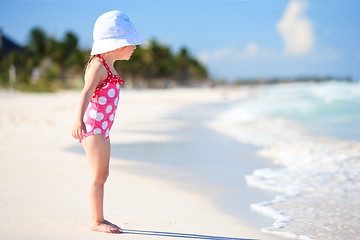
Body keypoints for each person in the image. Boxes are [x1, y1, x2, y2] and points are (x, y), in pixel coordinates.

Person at [71, 10, 145, 234]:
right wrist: (78, 120)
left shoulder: (109, 66)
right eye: (130, 42)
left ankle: (99, 217)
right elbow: (86, 92)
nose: (134, 46)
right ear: (117, 44)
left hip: (103, 130)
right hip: (93, 129)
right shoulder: (98, 66)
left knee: (103, 174)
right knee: (98, 176)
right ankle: (96, 220)